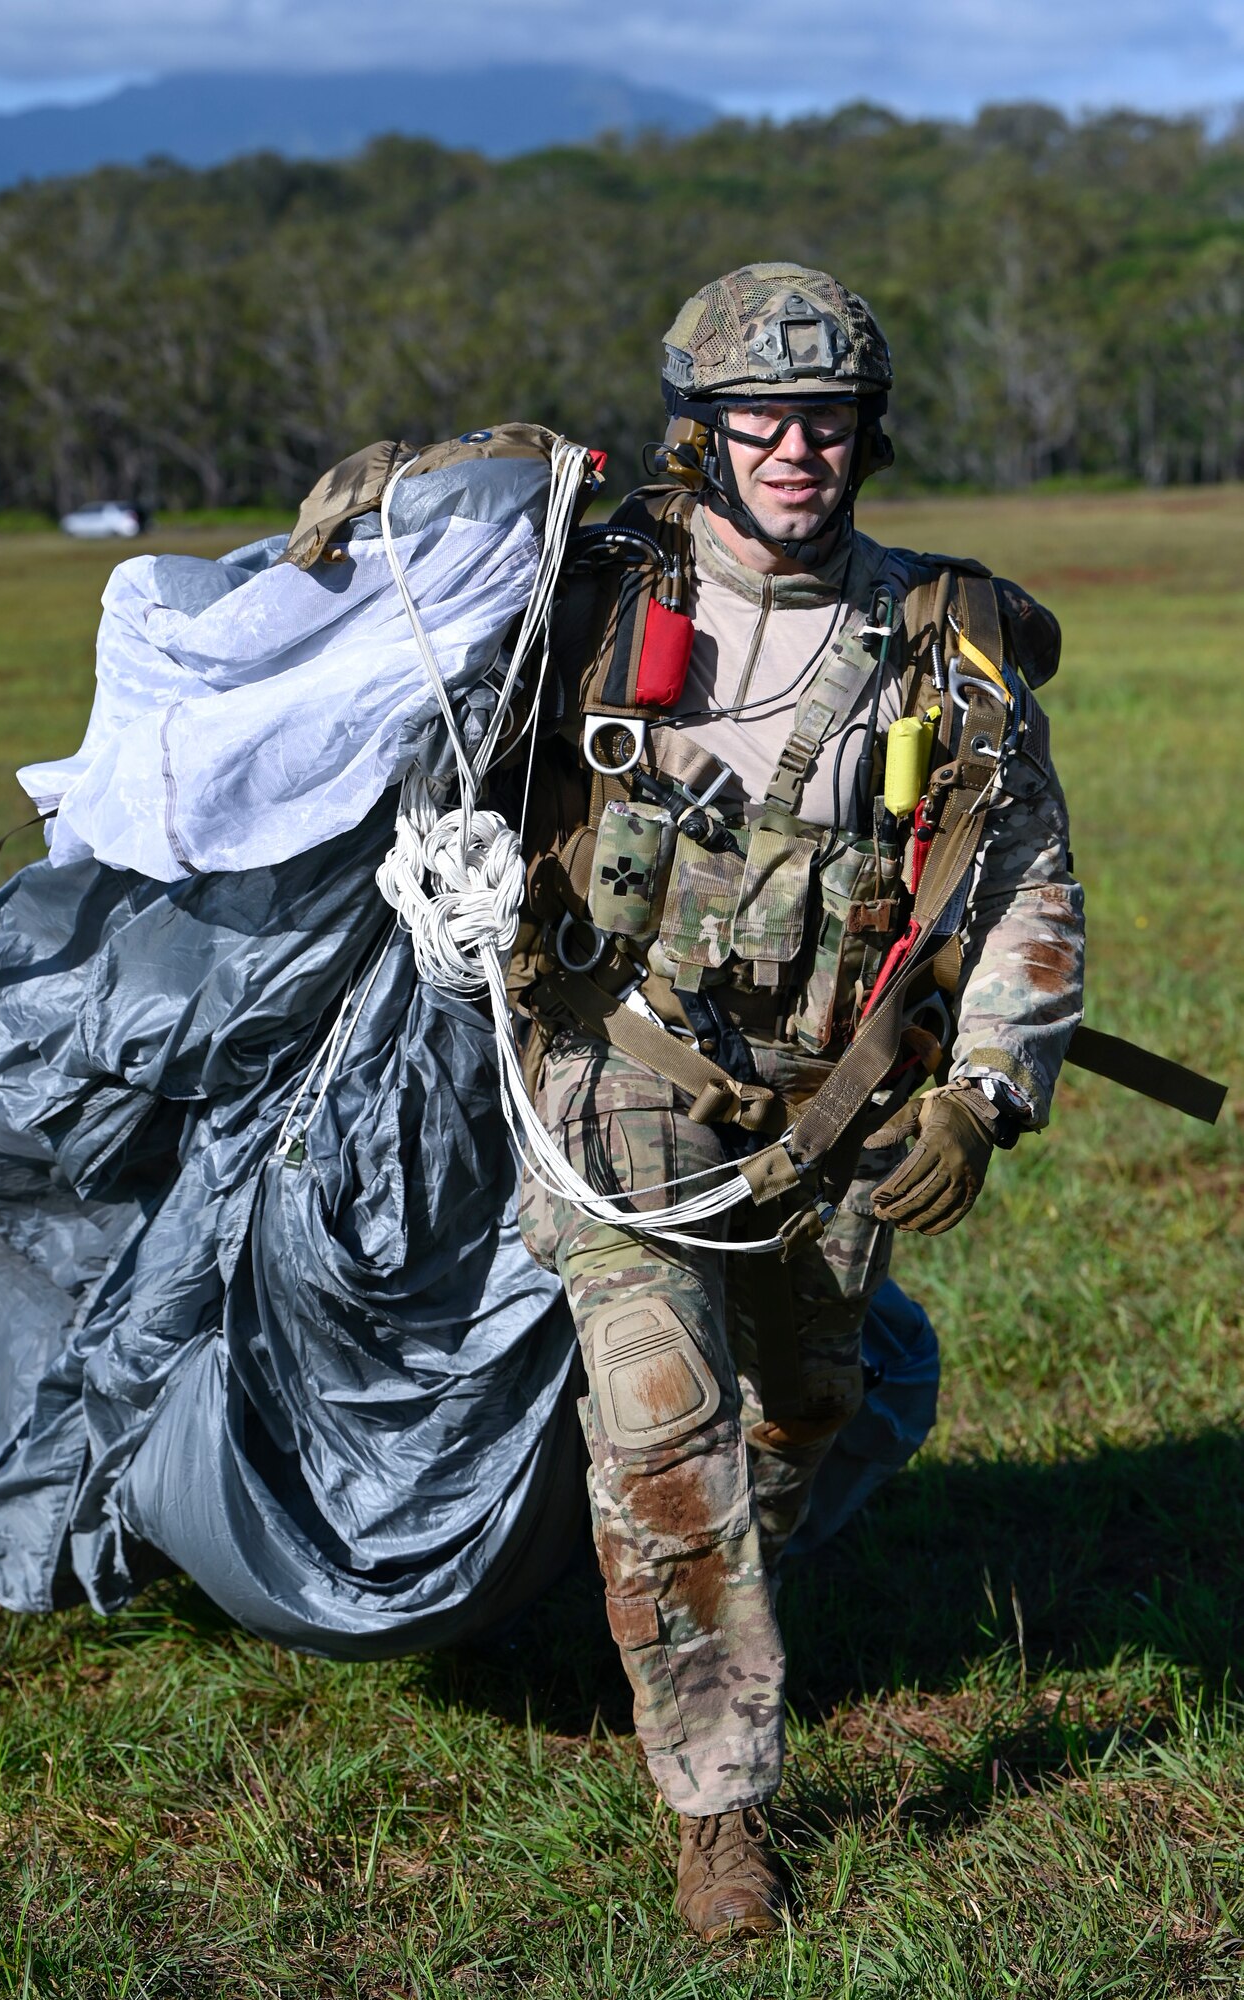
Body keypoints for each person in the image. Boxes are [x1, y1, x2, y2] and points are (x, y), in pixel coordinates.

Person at [509, 264, 1084, 1941]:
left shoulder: (943, 644)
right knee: (659, 1411)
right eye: (761, 416)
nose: (796, 447)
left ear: (865, 440)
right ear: (700, 434)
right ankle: (722, 1808)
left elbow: (1030, 881)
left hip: (822, 1122)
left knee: (799, 1416)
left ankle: (680, 1595)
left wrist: (984, 1094)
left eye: (828, 421)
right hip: (616, 1075)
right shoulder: (586, 599)